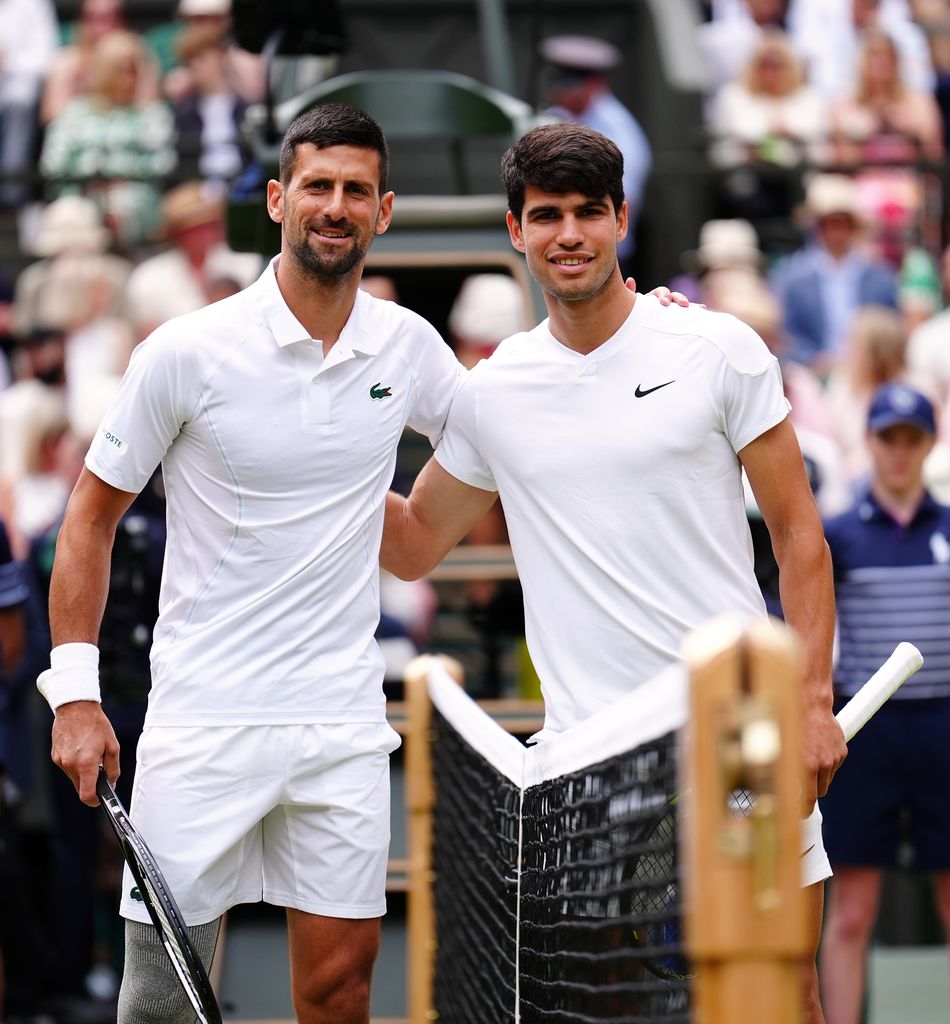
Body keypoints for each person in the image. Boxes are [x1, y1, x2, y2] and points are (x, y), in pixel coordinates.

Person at [34, 100, 691, 1023]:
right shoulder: (184, 352)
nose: (335, 206)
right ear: (277, 199)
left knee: (341, 995)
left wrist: (639, 326)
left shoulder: (408, 347)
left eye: (356, 191)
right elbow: (88, 520)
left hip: (340, 727)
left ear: (383, 212)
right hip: (200, 722)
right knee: (159, 1004)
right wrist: (75, 694)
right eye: (317, 187)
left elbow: (523, 421)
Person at [380, 121, 846, 1024]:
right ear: (516, 231)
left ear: (621, 220)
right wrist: (314, 441)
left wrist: (814, 700)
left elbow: (799, 539)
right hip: (586, 768)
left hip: (738, 742)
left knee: (783, 994)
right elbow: (410, 546)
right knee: (606, 1006)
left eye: (588, 213)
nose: (569, 235)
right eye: (546, 215)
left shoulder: (717, 349)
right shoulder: (493, 391)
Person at [819, 383, 950, 1024]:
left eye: (912, 438)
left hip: (944, 730)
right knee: (852, 909)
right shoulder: (838, 534)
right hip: (863, 731)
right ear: (869, 442)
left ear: (929, 445)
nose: (899, 452)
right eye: (887, 437)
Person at [539, 34, 651, 273]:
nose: (559, 89)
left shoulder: (619, 129)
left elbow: (624, 197)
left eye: (570, 81)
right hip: (557, 251)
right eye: (557, 80)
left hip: (603, 256)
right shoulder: (554, 118)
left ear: (595, 83)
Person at [771, 173, 897, 374]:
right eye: (831, 223)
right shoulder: (792, 277)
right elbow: (786, 334)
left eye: (843, 224)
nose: (837, 232)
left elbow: (891, 329)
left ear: (853, 227)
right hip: (812, 374)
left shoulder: (879, 276)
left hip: (868, 373)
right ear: (819, 227)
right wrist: (815, 360)